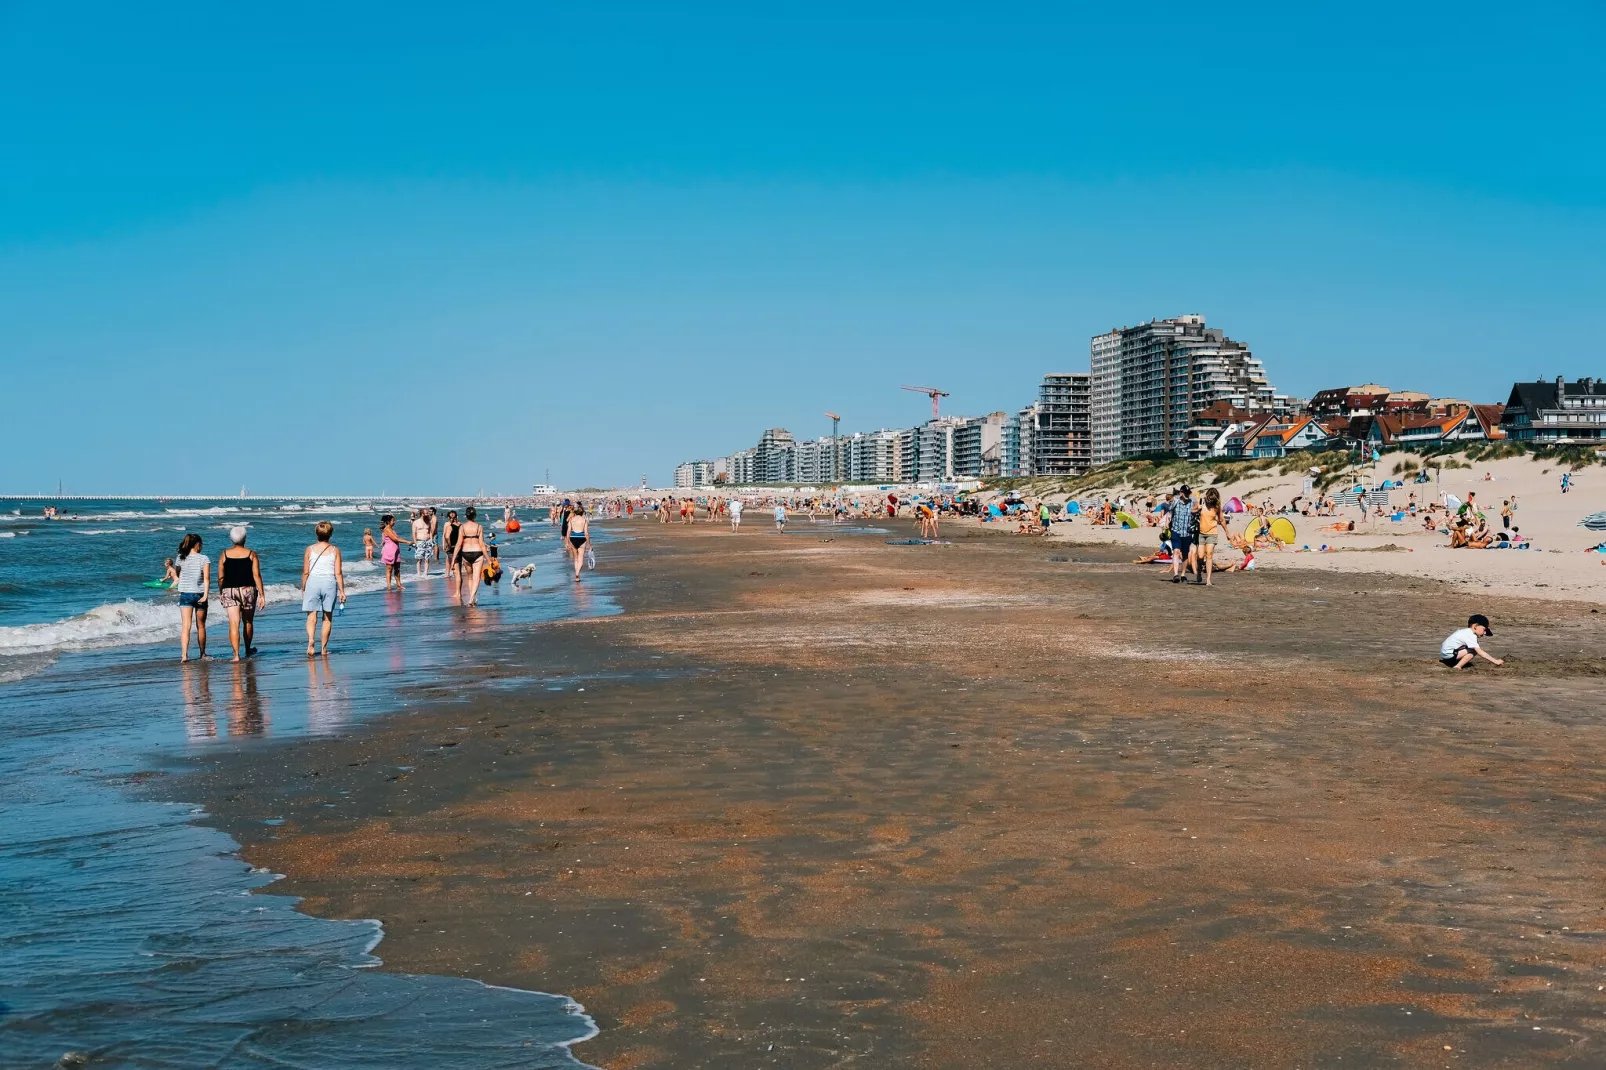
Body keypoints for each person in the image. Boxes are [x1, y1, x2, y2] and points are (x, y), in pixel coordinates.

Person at [217, 525, 264, 662]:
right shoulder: (251, 554)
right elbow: (256, 575)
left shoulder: (224, 554)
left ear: (231, 539)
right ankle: (248, 649)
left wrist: (222, 591)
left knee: (233, 623)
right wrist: (262, 594)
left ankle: (236, 655)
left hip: (229, 590)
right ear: (245, 538)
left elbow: (220, 577)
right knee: (248, 621)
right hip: (248, 590)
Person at [300, 520, 346, 657]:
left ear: (316, 534)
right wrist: (342, 591)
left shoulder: (310, 549)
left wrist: (303, 588)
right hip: (329, 582)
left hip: (313, 582)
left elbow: (305, 572)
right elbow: (338, 572)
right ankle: (324, 649)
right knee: (327, 617)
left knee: (311, 617)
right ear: (330, 534)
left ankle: (310, 641)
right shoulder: (335, 550)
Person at [174, 533, 210, 662]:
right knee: (201, 626)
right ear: (198, 545)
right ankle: (202, 654)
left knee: (186, 626)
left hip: (185, 594)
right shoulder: (204, 558)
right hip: (200, 594)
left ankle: (184, 655)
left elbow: (177, 572)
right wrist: (205, 595)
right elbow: (206, 579)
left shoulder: (180, 557)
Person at [453, 506, 491, 605]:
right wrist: (489, 559)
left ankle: (472, 598)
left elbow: (458, 544)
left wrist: (453, 560)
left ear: (466, 516)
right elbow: (482, 545)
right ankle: (472, 597)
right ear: (475, 515)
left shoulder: (462, 527)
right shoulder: (479, 527)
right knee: (476, 577)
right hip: (477, 553)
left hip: (465, 554)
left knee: (470, 577)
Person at [1197, 487, 1225, 586]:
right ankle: (1199, 571)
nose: (1210, 500)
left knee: (1209, 555)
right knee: (1200, 556)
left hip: (1212, 533)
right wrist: (1197, 508)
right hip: (1201, 533)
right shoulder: (1202, 503)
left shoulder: (1217, 506)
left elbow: (1221, 520)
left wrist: (1227, 533)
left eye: (1212, 498)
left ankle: (1208, 580)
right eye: (1209, 497)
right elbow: (1192, 511)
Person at [1168, 486, 1197, 584]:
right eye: (1185, 493)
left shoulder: (1191, 502)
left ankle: (1183, 574)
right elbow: (1169, 509)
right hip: (1176, 530)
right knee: (1176, 551)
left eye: (1188, 493)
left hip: (1187, 532)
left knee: (1185, 554)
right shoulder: (1176, 502)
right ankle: (1176, 574)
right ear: (1181, 493)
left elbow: (1196, 511)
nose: (1187, 495)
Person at [378, 513, 411, 591]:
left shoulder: (392, 529)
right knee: (389, 569)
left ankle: (399, 585)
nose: (394, 522)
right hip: (389, 551)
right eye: (393, 520)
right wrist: (407, 542)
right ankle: (389, 586)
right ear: (388, 521)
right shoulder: (387, 529)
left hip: (396, 552)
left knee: (397, 569)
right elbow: (395, 539)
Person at [567, 503, 591, 580]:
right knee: (581, 558)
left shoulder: (571, 520)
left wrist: (567, 542)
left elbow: (568, 532)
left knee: (576, 558)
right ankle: (577, 573)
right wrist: (589, 544)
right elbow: (586, 533)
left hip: (573, 538)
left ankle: (577, 575)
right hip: (581, 537)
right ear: (582, 512)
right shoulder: (584, 520)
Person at [412, 510, 432, 577]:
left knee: (427, 558)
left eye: (427, 513)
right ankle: (418, 573)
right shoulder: (416, 522)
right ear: (422, 514)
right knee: (419, 559)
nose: (427, 514)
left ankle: (425, 573)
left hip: (428, 541)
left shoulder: (428, 522)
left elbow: (430, 532)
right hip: (420, 541)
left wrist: (431, 540)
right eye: (426, 513)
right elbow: (414, 533)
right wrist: (415, 543)